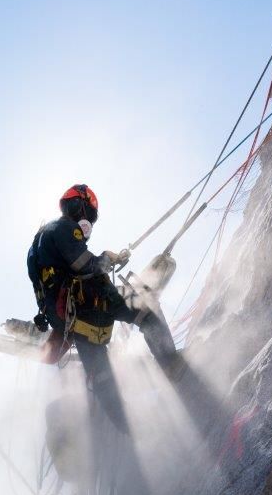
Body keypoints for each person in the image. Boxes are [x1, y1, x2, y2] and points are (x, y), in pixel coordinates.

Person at [27, 184, 177, 430]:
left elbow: (49, 286)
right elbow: (84, 264)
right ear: (78, 206)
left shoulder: (35, 250)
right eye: (90, 215)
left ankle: (124, 426)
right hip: (92, 299)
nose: (90, 223)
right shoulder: (63, 227)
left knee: (101, 374)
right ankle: (173, 366)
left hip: (72, 320)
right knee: (145, 312)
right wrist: (107, 258)